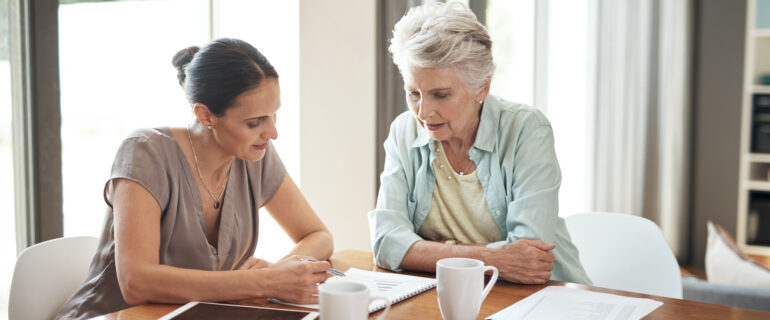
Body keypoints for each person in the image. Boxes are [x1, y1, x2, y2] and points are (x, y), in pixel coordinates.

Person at [55, 38, 333, 320]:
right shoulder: (145, 152)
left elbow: (318, 235)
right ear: (205, 115)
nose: (272, 132)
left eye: (274, 115)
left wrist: (279, 274)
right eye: (254, 122)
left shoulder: (254, 154)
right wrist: (265, 282)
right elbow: (135, 283)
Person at [368, 2, 591, 285]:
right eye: (413, 93)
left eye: (440, 95)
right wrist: (493, 259)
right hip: (448, 292)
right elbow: (386, 243)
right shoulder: (404, 131)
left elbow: (529, 257)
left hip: (540, 297)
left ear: (482, 88)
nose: (423, 113)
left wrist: (423, 253)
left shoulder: (527, 130)